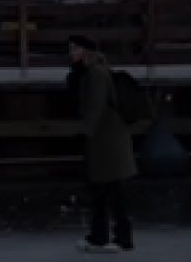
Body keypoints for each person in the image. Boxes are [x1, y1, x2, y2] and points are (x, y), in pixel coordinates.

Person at [68, 35, 137, 253]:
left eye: (75, 49)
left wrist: (85, 132)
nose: (71, 53)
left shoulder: (96, 73)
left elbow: (95, 106)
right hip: (102, 137)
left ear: (85, 51)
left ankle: (122, 237)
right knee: (99, 188)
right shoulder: (89, 71)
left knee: (113, 188)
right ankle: (99, 235)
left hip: (107, 137)